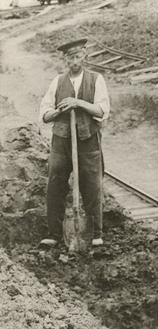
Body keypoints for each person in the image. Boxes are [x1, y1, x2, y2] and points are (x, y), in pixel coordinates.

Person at [38, 38, 110, 249]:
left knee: (92, 184)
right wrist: (60, 110)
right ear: (65, 60)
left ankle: (95, 234)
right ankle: (54, 234)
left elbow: (102, 110)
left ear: (85, 57)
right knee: (55, 183)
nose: (74, 61)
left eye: (78, 56)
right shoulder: (58, 81)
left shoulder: (96, 79)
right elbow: (44, 113)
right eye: (70, 57)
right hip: (61, 140)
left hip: (88, 140)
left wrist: (78, 103)